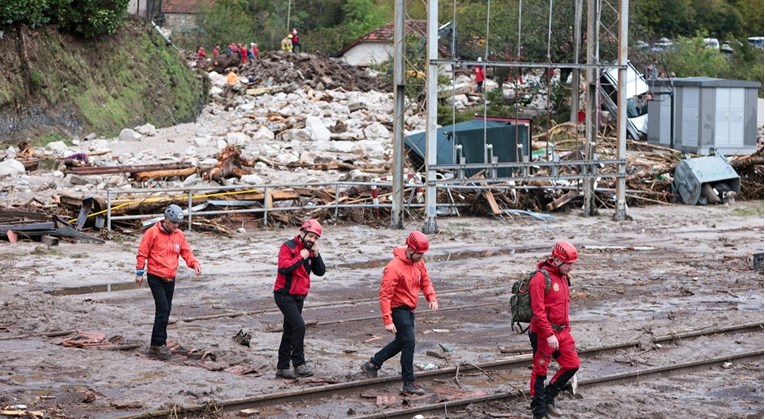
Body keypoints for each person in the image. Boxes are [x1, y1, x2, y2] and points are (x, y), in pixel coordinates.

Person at [360, 231, 439, 396]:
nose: (420, 256)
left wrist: (431, 297)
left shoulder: (419, 262)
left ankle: (373, 364)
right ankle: (408, 382)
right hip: (398, 309)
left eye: (423, 253)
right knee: (409, 342)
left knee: (402, 341)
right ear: (410, 248)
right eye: (419, 253)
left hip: (409, 309)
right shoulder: (393, 267)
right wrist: (387, 320)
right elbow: (385, 295)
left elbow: (426, 281)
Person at [135, 204, 202, 360]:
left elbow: (186, 252)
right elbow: (142, 253)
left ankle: (155, 344)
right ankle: (159, 344)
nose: (175, 226)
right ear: (165, 219)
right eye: (173, 222)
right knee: (163, 309)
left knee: (166, 310)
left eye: (178, 223)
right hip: (155, 276)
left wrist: (195, 264)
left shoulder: (179, 235)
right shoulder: (152, 233)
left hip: (170, 278)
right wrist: (139, 272)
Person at [528, 241, 580, 419]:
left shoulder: (564, 276)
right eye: (569, 264)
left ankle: (548, 398)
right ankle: (539, 411)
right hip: (544, 333)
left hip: (563, 332)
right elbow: (538, 311)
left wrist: (565, 328)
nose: (571, 267)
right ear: (557, 260)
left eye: (573, 264)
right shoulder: (540, 278)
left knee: (572, 364)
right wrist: (549, 333)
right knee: (540, 370)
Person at [273, 219, 326, 379]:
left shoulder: (310, 251)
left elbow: (320, 271)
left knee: (289, 331)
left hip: (299, 296)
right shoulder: (288, 247)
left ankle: (282, 367)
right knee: (299, 327)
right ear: (302, 232)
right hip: (284, 294)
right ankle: (299, 364)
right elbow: (283, 268)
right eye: (310, 236)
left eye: (315, 238)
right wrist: (301, 257)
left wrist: (316, 255)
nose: (312, 240)